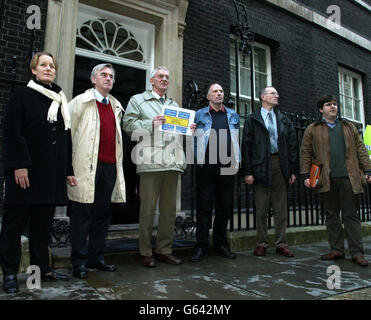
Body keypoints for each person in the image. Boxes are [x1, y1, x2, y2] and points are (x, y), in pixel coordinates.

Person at [0, 52, 71, 294]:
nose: (49, 69)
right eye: (43, 65)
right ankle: (9, 273)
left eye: (52, 65)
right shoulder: (21, 94)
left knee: (41, 228)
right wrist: (18, 165)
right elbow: (12, 132)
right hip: (24, 174)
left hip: (49, 176)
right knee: (13, 226)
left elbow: (64, 139)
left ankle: (40, 271)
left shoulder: (60, 100)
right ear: (34, 70)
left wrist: (67, 171)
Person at [122, 66, 186, 268]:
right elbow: (127, 125)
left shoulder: (173, 104)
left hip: (172, 162)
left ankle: (164, 250)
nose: (164, 79)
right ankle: (145, 251)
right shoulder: (137, 100)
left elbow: (176, 131)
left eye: (167, 77)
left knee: (169, 212)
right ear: (152, 80)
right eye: (160, 76)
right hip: (150, 162)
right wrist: (151, 122)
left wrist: (187, 128)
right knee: (147, 211)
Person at [67, 63, 126, 278]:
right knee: (82, 214)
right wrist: (68, 168)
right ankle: (79, 261)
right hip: (85, 167)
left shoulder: (116, 106)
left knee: (102, 214)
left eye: (111, 76)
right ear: (94, 79)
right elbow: (68, 136)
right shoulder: (79, 103)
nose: (108, 78)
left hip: (109, 167)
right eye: (104, 75)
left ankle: (96, 256)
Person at [300, 95, 371, 266]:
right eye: (328, 105)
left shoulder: (348, 127)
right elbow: (305, 152)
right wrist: (305, 175)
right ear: (320, 109)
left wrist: (367, 169)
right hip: (326, 178)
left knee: (351, 215)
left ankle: (357, 252)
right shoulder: (313, 129)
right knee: (331, 215)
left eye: (334, 104)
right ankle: (337, 250)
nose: (333, 107)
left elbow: (361, 149)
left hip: (349, 178)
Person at [241, 86, 296, 257]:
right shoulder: (252, 119)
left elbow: (292, 146)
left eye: (277, 93)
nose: (277, 95)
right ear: (263, 96)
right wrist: (248, 171)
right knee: (262, 207)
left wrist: (292, 170)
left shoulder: (284, 120)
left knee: (281, 207)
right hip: (260, 166)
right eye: (273, 93)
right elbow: (246, 147)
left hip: (280, 165)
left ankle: (281, 243)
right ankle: (261, 243)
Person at [190, 83, 240, 262]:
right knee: (204, 208)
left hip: (228, 166)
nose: (219, 94)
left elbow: (236, 140)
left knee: (224, 207)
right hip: (206, 166)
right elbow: (191, 137)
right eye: (215, 91)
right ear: (208, 96)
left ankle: (220, 244)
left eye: (221, 91)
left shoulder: (233, 115)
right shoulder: (199, 114)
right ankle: (201, 246)